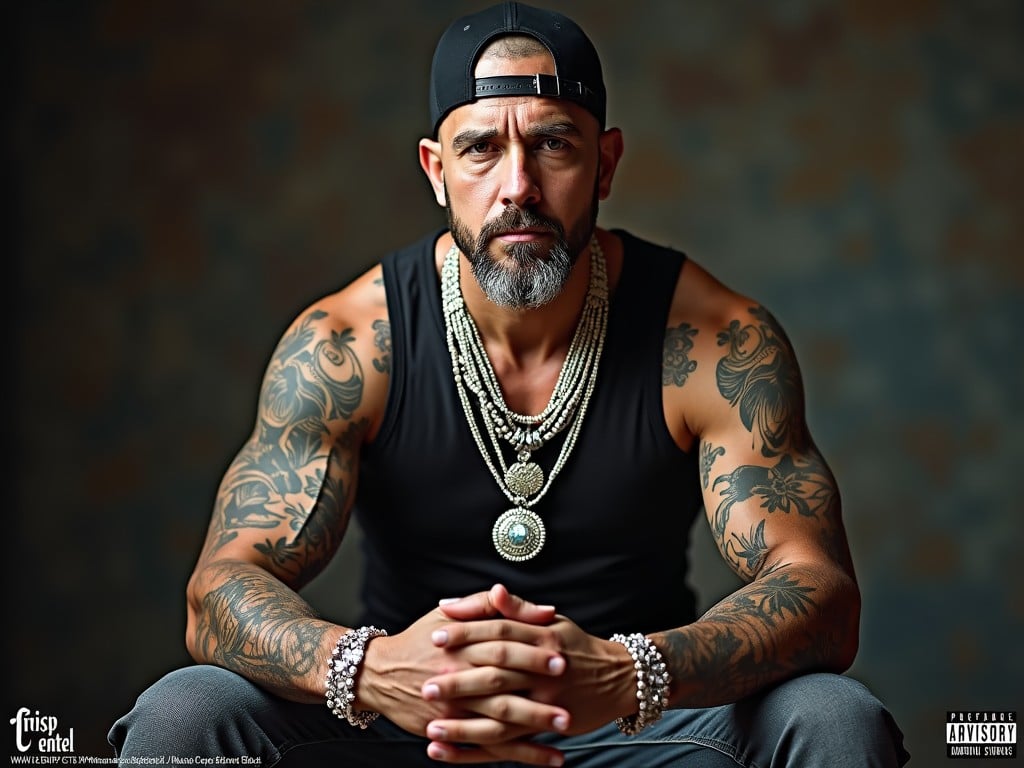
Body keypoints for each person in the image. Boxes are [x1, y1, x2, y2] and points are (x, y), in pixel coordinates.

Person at [109, 2, 910, 766]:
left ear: (605, 164)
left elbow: (819, 595)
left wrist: (630, 673)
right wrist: (373, 668)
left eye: (555, 145)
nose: (517, 185)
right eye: (481, 148)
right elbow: (219, 589)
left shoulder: (713, 341)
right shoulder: (347, 345)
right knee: (189, 712)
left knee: (834, 719)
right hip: (408, 721)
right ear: (436, 169)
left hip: (635, 723)